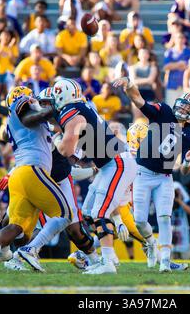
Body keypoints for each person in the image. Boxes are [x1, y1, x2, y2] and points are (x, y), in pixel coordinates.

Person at [0, 86, 73, 276]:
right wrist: (51, 108)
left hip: (20, 173)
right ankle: (31, 250)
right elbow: (29, 118)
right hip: (32, 170)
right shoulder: (21, 107)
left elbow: (50, 124)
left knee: (17, 227)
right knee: (65, 213)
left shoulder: (14, 122)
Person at [113, 77, 190, 272]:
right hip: (142, 173)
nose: (183, 110)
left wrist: (188, 161)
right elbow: (138, 100)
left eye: (188, 109)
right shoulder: (165, 112)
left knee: (164, 217)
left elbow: (185, 170)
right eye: (182, 106)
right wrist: (128, 84)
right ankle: (151, 244)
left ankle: (166, 261)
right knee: (140, 221)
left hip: (164, 178)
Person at [53, 78, 137, 275]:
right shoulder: (83, 107)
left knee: (100, 212)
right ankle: (107, 258)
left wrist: (55, 136)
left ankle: (108, 262)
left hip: (116, 163)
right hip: (110, 164)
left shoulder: (72, 112)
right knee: (90, 210)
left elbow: (66, 149)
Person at [163, 33, 190, 108]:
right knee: (171, 108)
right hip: (172, 85)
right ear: (174, 40)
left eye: (182, 38)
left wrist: (173, 66)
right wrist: (179, 64)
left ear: (184, 40)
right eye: (178, 38)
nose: (180, 40)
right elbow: (166, 67)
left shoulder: (189, 52)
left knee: (184, 111)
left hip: (186, 86)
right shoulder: (169, 52)